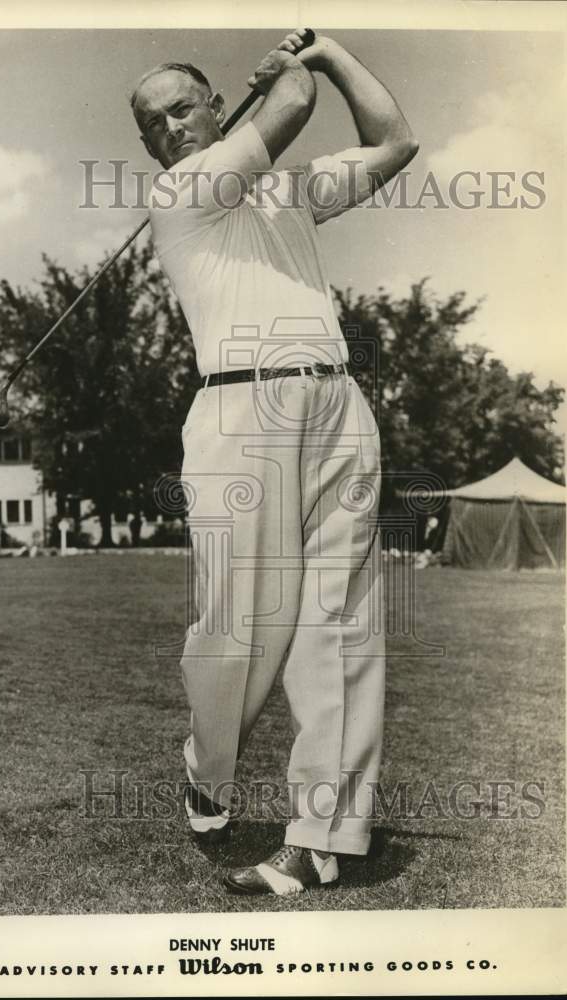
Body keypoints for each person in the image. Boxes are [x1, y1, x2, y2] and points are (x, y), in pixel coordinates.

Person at [132, 29, 417, 895]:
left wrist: (329, 53)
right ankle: (207, 767)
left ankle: (320, 837)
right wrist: (294, 73)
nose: (171, 128)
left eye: (184, 107)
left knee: (337, 624)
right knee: (237, 629)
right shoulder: (179, 189)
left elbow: (395, 142)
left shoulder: (287, 188)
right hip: (235, 410)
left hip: (336, 400)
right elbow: (290, 106)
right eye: (153, 123)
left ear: (218, 106)